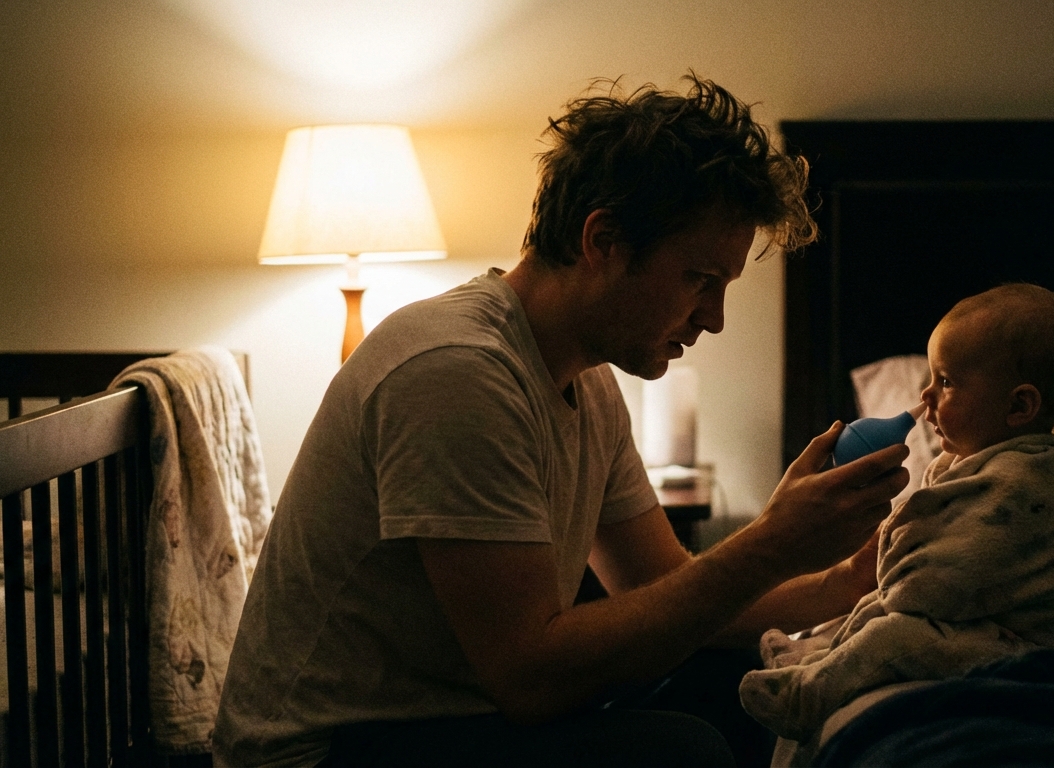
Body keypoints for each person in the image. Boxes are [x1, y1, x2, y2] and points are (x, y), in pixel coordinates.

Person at [212, 75, 910, 768]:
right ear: (603, 240)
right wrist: (768, 544)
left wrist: (847, 583)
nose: (715, 318)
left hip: (440, 722)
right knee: (680, 751)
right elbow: (530, 678)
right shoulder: (456, 370)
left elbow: (660, 588)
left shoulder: (589, 379)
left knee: (745, 687)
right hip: (323, 751)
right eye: (700, 278)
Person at [738, 284, 1054, 753]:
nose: (926, 395)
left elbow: (934, 586)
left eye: (946, 381)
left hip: (1018, 643)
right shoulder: (974, 462)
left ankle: (806, 698)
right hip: (977, 620)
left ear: (1018, 407)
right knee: (870, 612)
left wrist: (895, 573)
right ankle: (815, 655)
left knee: (892, 634)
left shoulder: (1021, 485)